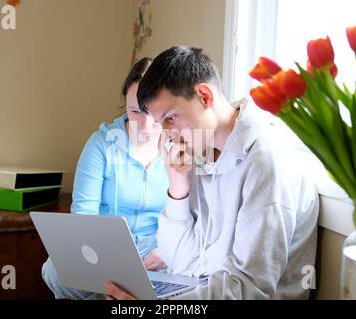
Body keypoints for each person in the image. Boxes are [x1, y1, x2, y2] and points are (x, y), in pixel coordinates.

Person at [104, 46, 319, 300]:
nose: (167, 134)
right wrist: (177, 187)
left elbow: (250, 289)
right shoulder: (200, 150)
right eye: (162, 123)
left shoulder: (266, 157)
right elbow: (180, 265)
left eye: (171, 117)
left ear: (204, 96)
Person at [42, 57, 169, 299]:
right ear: (125, 103)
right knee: (55, 271)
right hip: (108, 247)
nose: (146, 125)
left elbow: (192, 217)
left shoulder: (179, 145)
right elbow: (83, 215)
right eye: (135, 112)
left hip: (157, 248)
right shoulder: (101, 143)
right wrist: (103, 257)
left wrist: (169, 251)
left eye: (153, 113)